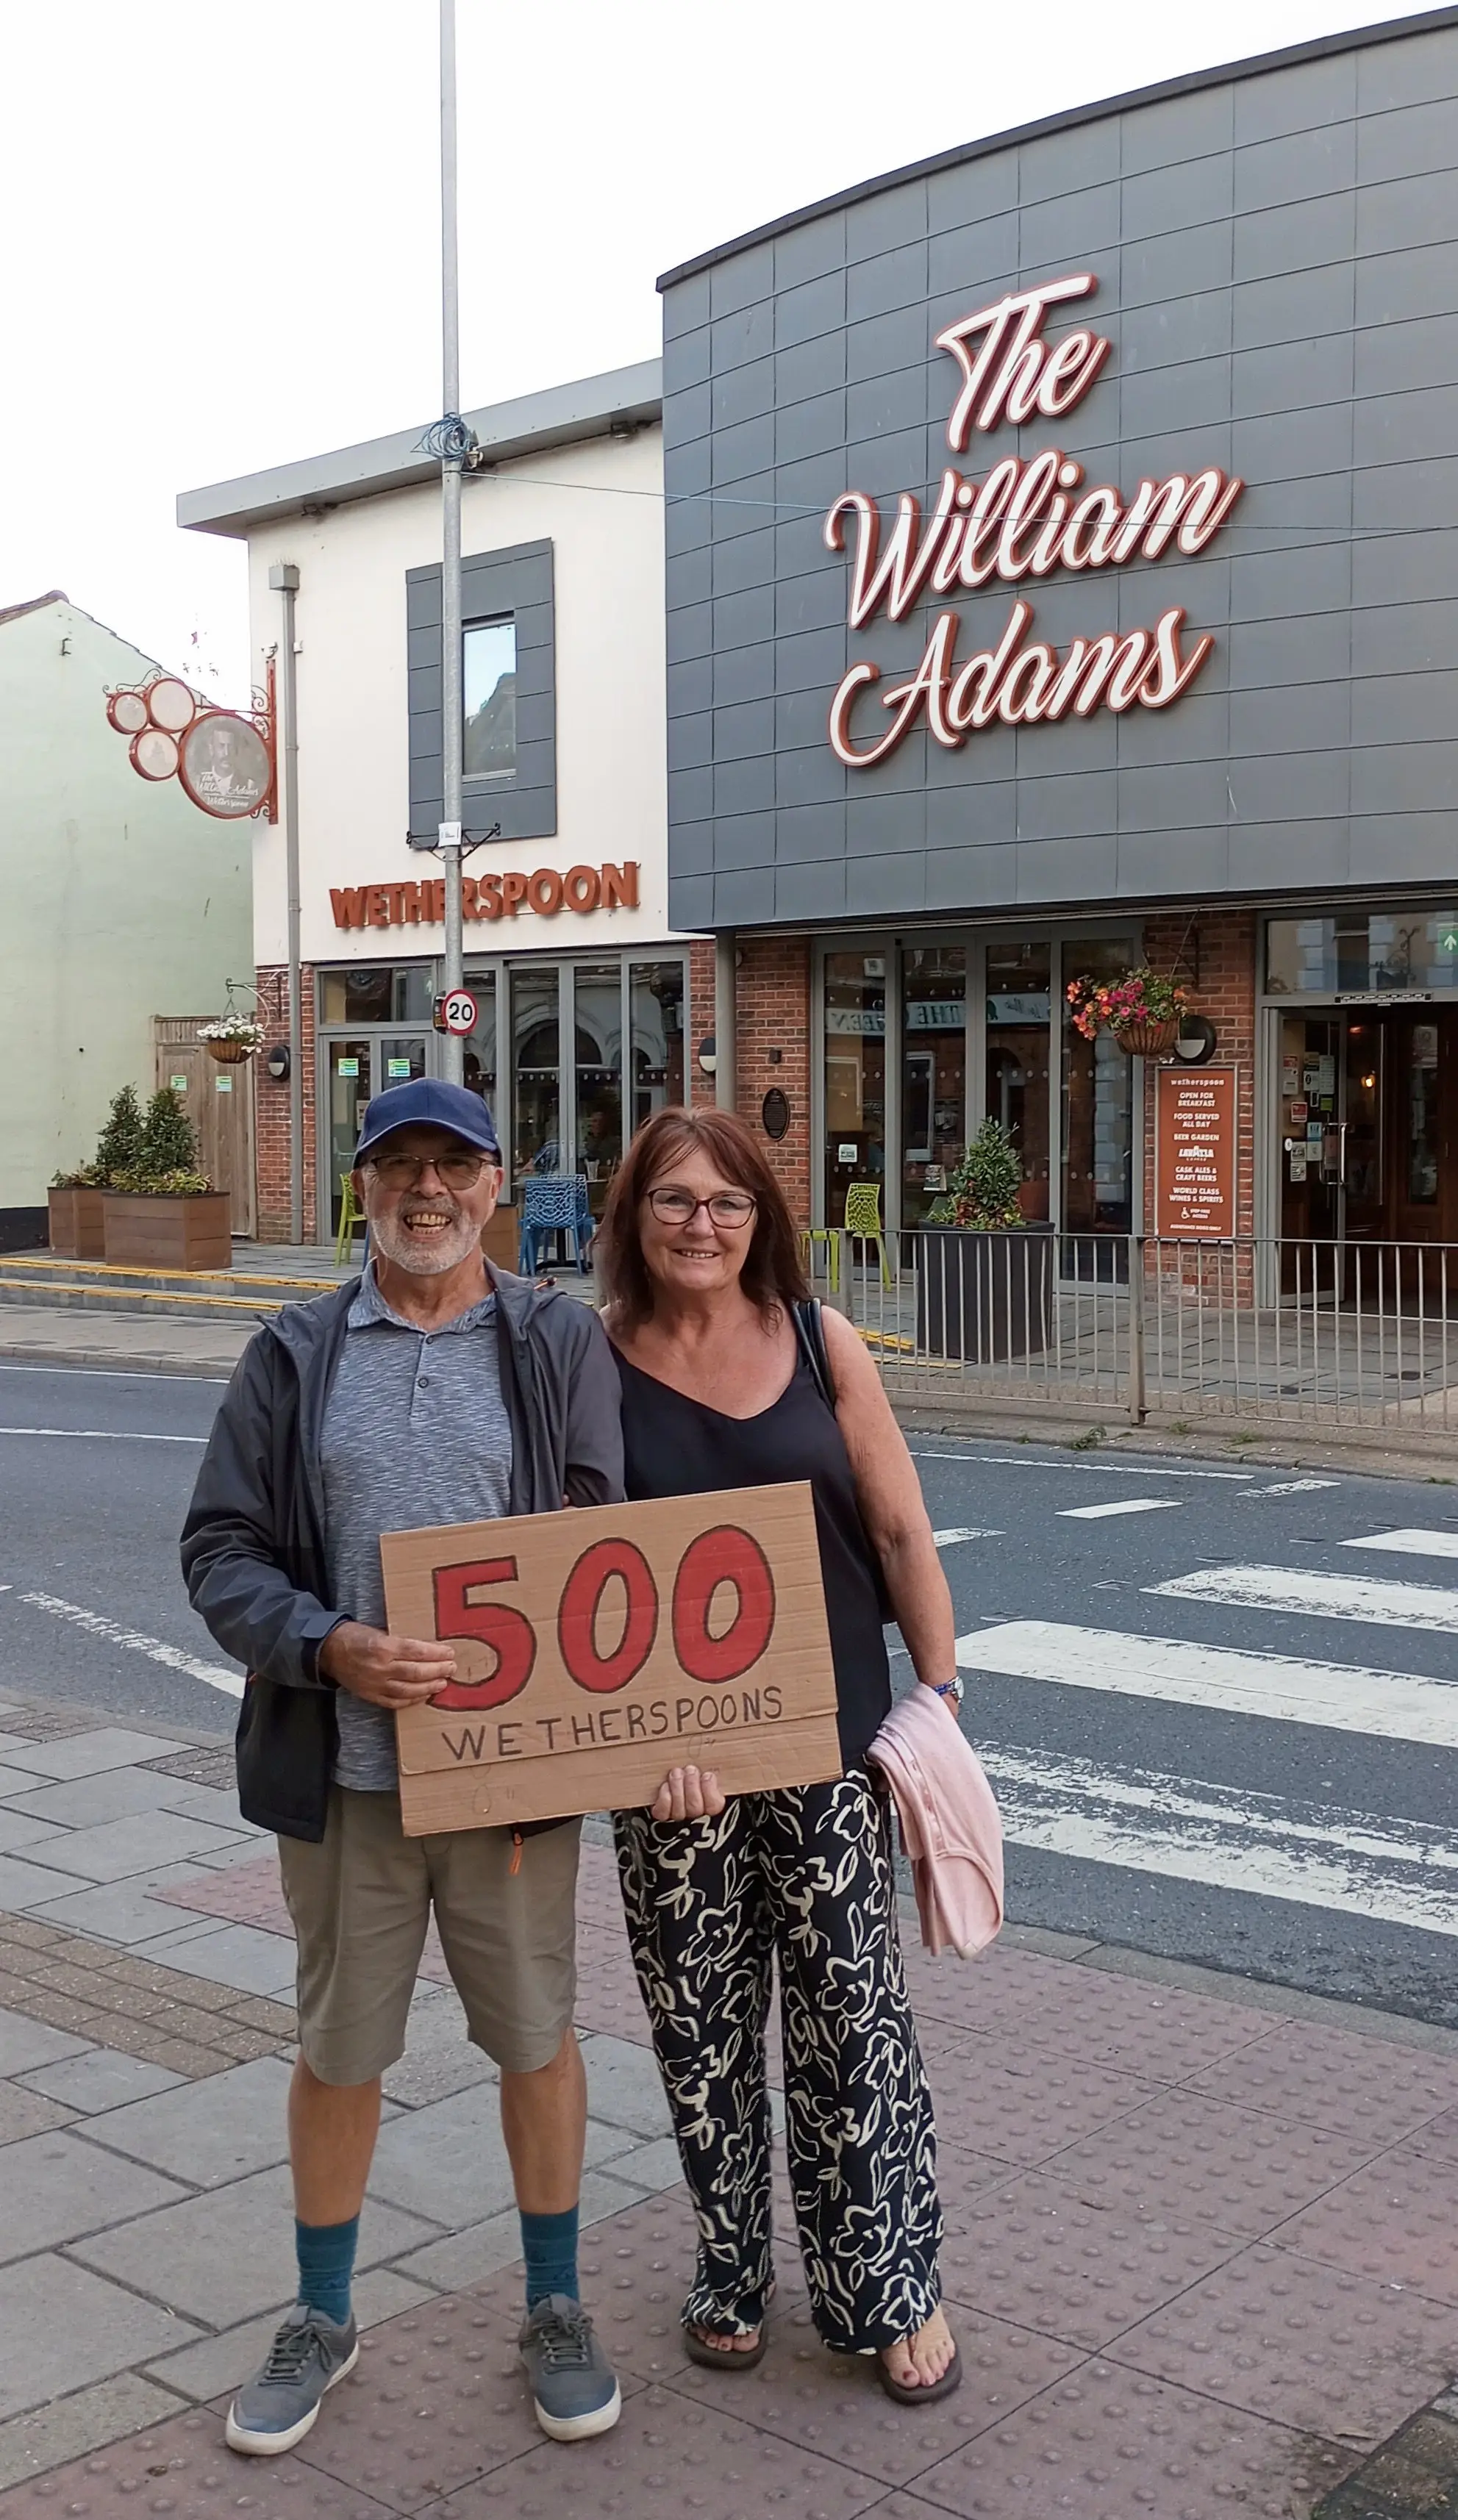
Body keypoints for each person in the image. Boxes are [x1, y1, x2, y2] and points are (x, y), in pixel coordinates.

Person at [181, 1077, 623, 2454]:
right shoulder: (293, 1352)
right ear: (358, 1188)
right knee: (340, 2049)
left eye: (453, 1165)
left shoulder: (556, 1342)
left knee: (536, 2039)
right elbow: (219, 1554)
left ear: (499, 1183)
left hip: (506, 1780)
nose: (424, 1191)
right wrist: (328, 1646)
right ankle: (323, 2312)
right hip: (345, 1776)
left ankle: (553, 2301)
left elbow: (606, 1535)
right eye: (396, 1168)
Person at [595, 1106, 963, 2404]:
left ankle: (889, 2285)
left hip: (828, 1749)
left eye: (728, 1203)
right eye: (675, 1200)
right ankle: (731, 2264)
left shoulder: (820, 1341)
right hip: (666, 1772)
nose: (702, 1225)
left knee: (849, 2026)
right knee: (700, 2032)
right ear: (633, 1213)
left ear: (763, 1219)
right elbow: (566, 1575)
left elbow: (902, 1531)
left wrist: (939, 1695)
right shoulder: (591, 1359)